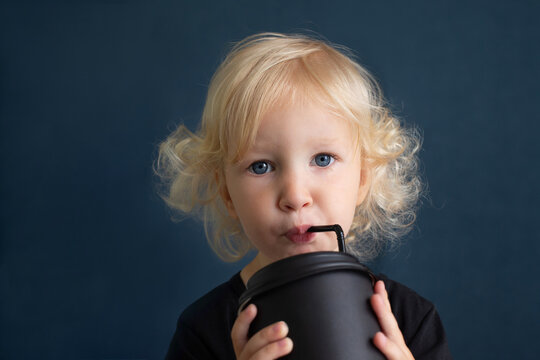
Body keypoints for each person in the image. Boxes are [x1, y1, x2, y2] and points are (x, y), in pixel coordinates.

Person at [156, 32, 452, 359]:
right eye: (261, 166)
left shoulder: (410, 321)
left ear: (363, 178)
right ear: (227, 192)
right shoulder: (203, 332)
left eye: (322, 159)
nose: (295, 196)